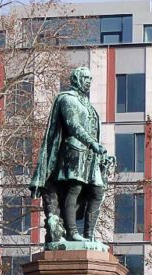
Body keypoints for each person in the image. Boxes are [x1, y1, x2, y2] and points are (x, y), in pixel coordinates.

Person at [29, 66, 110, 243]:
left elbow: (93, 129)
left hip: (90, 156)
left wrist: (100, 151)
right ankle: (72, 232)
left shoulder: (86, 103)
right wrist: (92, 143)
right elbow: (73, 125)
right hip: (73, 152)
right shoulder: (67, 99)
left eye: (90, 79)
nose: (89, 81)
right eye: (86, 78)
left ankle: (89, 235)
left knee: (98, 191)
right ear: (76, 79)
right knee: (75, 189)